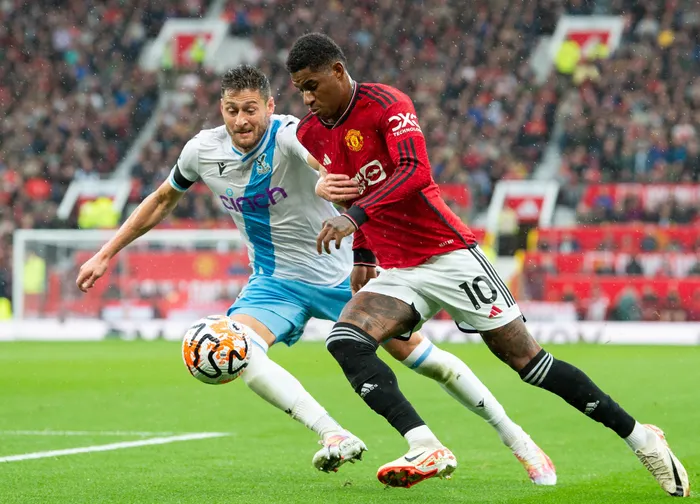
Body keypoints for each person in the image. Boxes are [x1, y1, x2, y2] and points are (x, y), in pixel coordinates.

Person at [76, 65, 555, 483]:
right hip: (274, 284)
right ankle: (334, 434)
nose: (241, 120)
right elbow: (162, 199)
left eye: (250, 109)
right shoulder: (202, 151)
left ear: (269, 106)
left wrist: (326, 176)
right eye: (231, 111)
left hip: (341, 277)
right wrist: (105, 254)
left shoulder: (289, 134)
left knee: (426, 361)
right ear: (221, 110)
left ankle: (518, 439)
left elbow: (319, 159)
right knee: (238, 351)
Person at [287, 33, 689, 496]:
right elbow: (353, 191)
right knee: (346, 341)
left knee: (529, 363)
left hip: (449, 254)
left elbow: (415, 171)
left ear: (338, 71)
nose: (308, 98)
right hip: (398, 270)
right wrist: (362, 253)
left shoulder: (387, 104)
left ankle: (642, 438)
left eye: (313, 85)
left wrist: (354, 219)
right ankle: (425, 445)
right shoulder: (311, 133)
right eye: (300, 89)